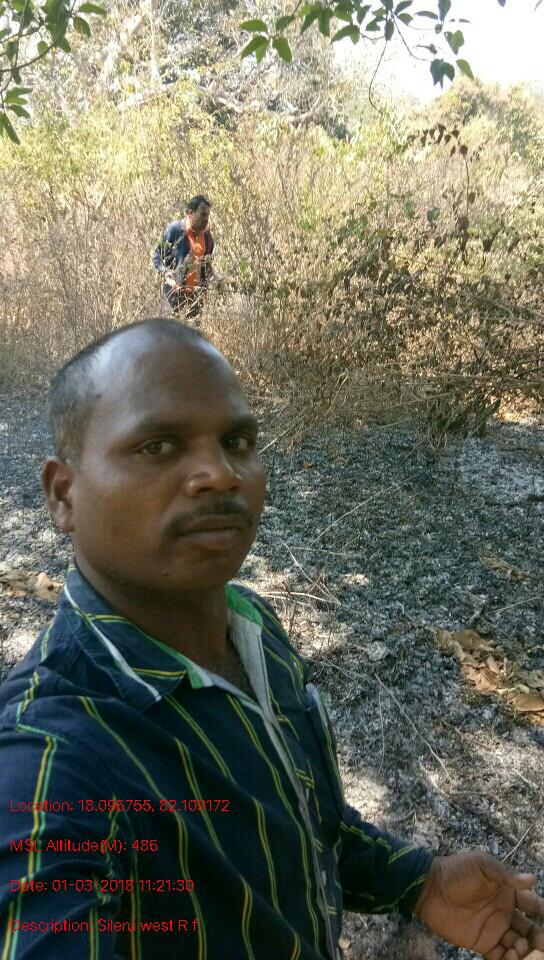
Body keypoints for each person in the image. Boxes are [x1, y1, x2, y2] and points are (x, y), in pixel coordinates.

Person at [0, 318, 542, 960]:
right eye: (158, 446)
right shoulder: (50, 755)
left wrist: (418, 882)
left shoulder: (254, 629)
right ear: (63, 495)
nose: (219, 473)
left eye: (237, 441)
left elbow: (303, 826)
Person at [153, 196, 214, 319]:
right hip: (173, 295)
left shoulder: (207, 237)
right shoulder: (175, 230)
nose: (206, 219)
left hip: (195, 299)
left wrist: (216, 280)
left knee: (191, 331)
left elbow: (206, 266)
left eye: (207, 215)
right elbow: (157, 257)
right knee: (170, 330)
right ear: (191, 213)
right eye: (202, 214)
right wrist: (166, 273)